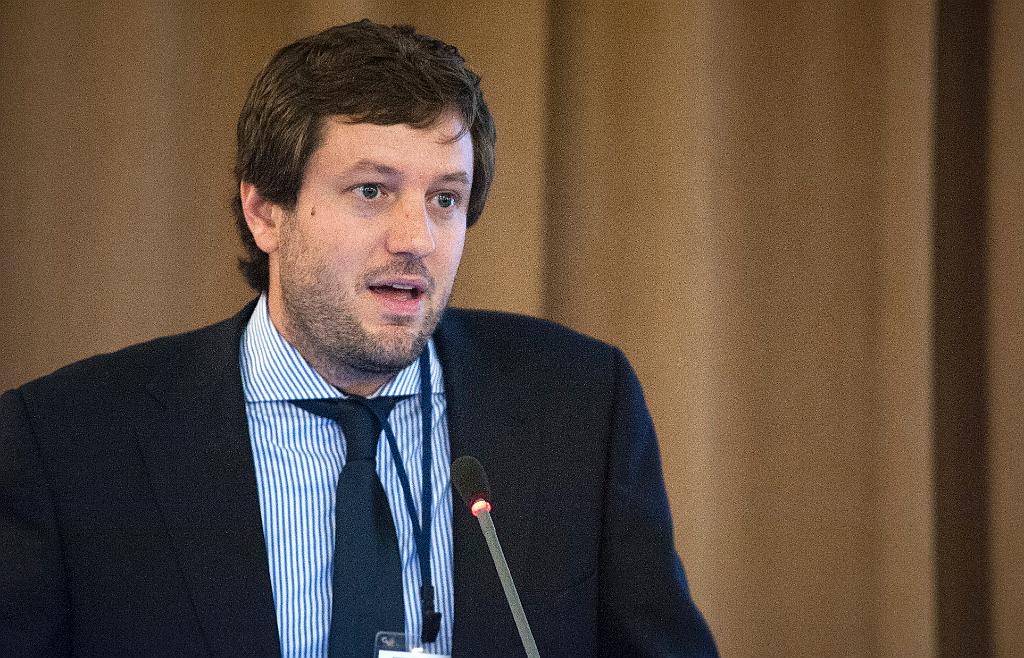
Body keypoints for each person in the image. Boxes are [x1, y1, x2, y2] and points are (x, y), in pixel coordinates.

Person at [0, 19, 717, 658]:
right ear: (265, 212)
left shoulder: (578, 409)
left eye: (445, 199)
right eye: (372, 190)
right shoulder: (68, 443)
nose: (416, 239)